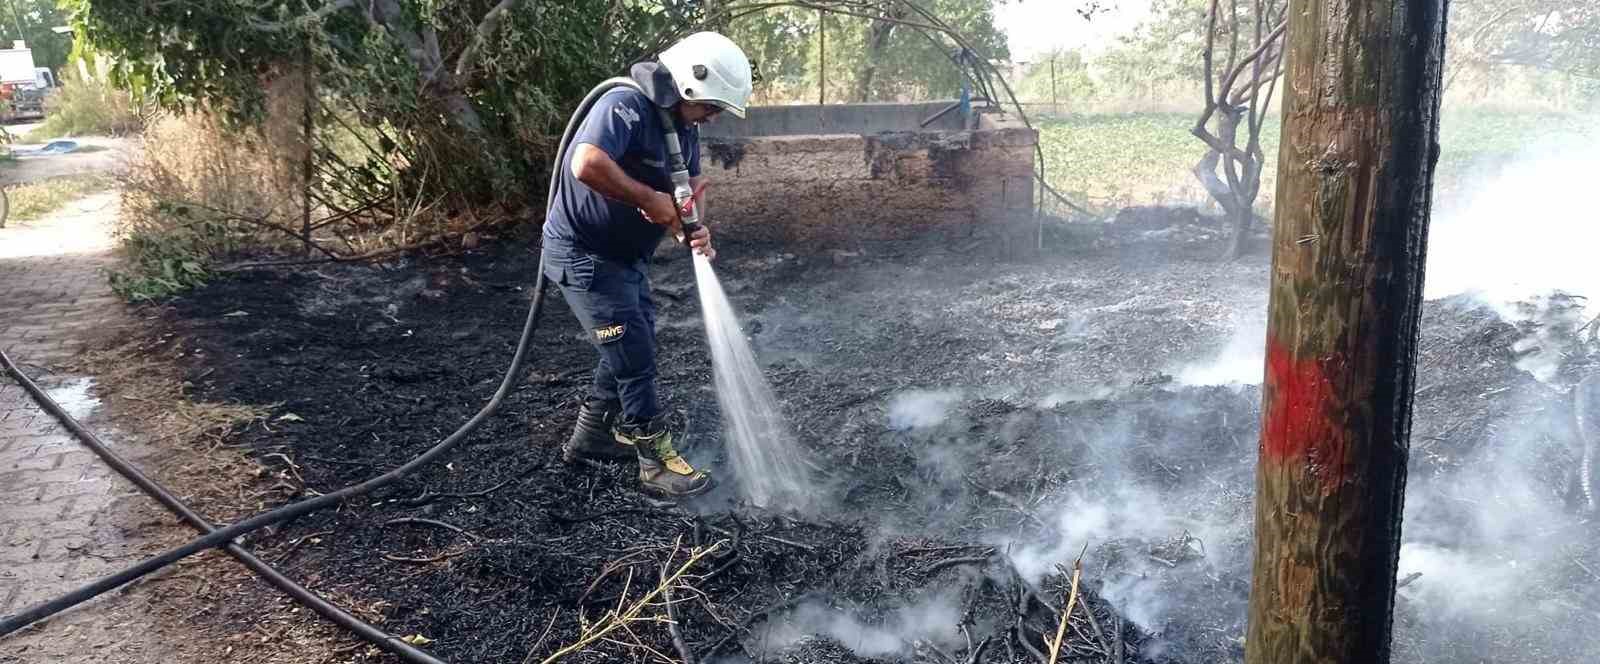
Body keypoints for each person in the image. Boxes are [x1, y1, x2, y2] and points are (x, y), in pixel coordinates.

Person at [540, 32, 753, 498]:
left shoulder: (684, 127)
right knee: (633, 355)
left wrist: (693, 227)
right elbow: (587, 163)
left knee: (632, 340)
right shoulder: (624, 105)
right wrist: (648, 199)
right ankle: (654, 464)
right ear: (686, 84)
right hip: (583, 254)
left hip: (623, 257)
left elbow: (691, 182)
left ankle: (594, 437)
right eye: (711, 105)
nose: (714, 116)